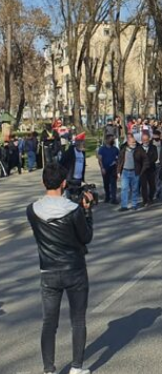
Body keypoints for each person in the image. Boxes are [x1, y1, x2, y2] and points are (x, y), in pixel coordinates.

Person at [28, 164, 93, 374]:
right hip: (74, 270)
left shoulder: (32, 210)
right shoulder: (73, 210)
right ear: (64, 183)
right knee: (78, 320)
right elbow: (86, 237)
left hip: (48, 271)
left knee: (49, 322)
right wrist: (87, 211)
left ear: (43, 183)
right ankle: (76, 367)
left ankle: (48, 369)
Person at [117, 133, 143, 211]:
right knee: (124, 188)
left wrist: (141, 170)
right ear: (128, 142)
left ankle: (134, 204)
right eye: (132, 142)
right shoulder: (123, 149)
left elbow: (143, 159)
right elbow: (120, 160)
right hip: (125, 171)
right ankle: (124, 205)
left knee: (135, 189)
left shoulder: (139, 149)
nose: (134, 144)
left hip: (135, 171)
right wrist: (118, 171)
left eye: (135, 142)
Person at [96, 135, 120, 204]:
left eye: (112, 139)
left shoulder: (115, 149)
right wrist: (102, 168)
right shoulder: (102, 149)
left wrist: (116, 161)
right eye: (111, 139)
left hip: (113, 168)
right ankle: (107, 196)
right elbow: (100, 159)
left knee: (113, 183)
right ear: (106, 140)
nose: (112, 140)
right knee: (106, 183)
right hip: (105, 168)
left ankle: (114, 198)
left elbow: (119, 157)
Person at [138, 132, 158, 207]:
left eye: (146, 140)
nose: (145, 141)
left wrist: (148, 162)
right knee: (144, 186)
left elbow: (155, 157)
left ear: (149, 139)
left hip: (151, 169)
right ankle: (145, 200)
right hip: (142, 170)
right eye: (144, 140)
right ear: (142, 140)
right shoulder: (138, 148)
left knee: (152, 185)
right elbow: (137, 158)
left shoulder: (153, 147)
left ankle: (151, 197)